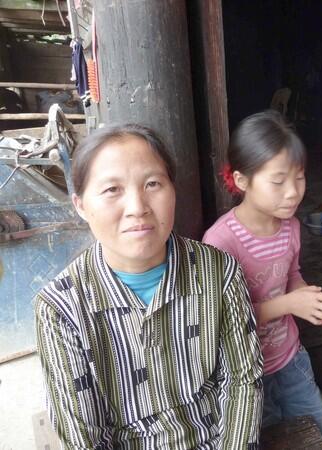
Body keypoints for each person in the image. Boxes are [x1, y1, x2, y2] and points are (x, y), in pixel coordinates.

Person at [35, 124, 263, 449]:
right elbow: (83, 437)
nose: (138, 207)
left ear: (173, 190)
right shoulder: (60, 311)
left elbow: (242, 382)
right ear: (81, 205)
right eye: (112, 189)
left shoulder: (218, 272)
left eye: (153, 183)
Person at [202, 110, 322, 449]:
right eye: (278, 182)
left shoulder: (290, 227)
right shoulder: (221, 242)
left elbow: (291, 274)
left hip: (290, 359)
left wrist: (305, 295)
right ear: (243, 180)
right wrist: (290, 304)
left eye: (300, 178)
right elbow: (220, 320)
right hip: (244, 375)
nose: (293, 192)